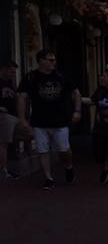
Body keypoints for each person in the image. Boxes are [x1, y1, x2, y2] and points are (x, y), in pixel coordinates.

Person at [17, 49, 82, 190]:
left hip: (60, 120)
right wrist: (22, 118)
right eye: (50, 60)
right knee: (43, 150)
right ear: (41, 61)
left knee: (63, 148)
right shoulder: (30, 78)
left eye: (54, 60)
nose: (54, 62)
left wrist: (77, 110)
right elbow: (22, 97)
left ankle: (69, 166)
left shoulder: (61, 76)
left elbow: (76, 92)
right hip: (40, 120)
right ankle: (48, 178)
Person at [0, 58, 19, 179]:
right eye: (11, 72)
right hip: (4, 116)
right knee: (3, 143)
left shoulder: (10, 83)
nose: (13, 74)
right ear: (4, 70)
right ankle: (3, 171)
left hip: (13, 116)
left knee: (29, 134)